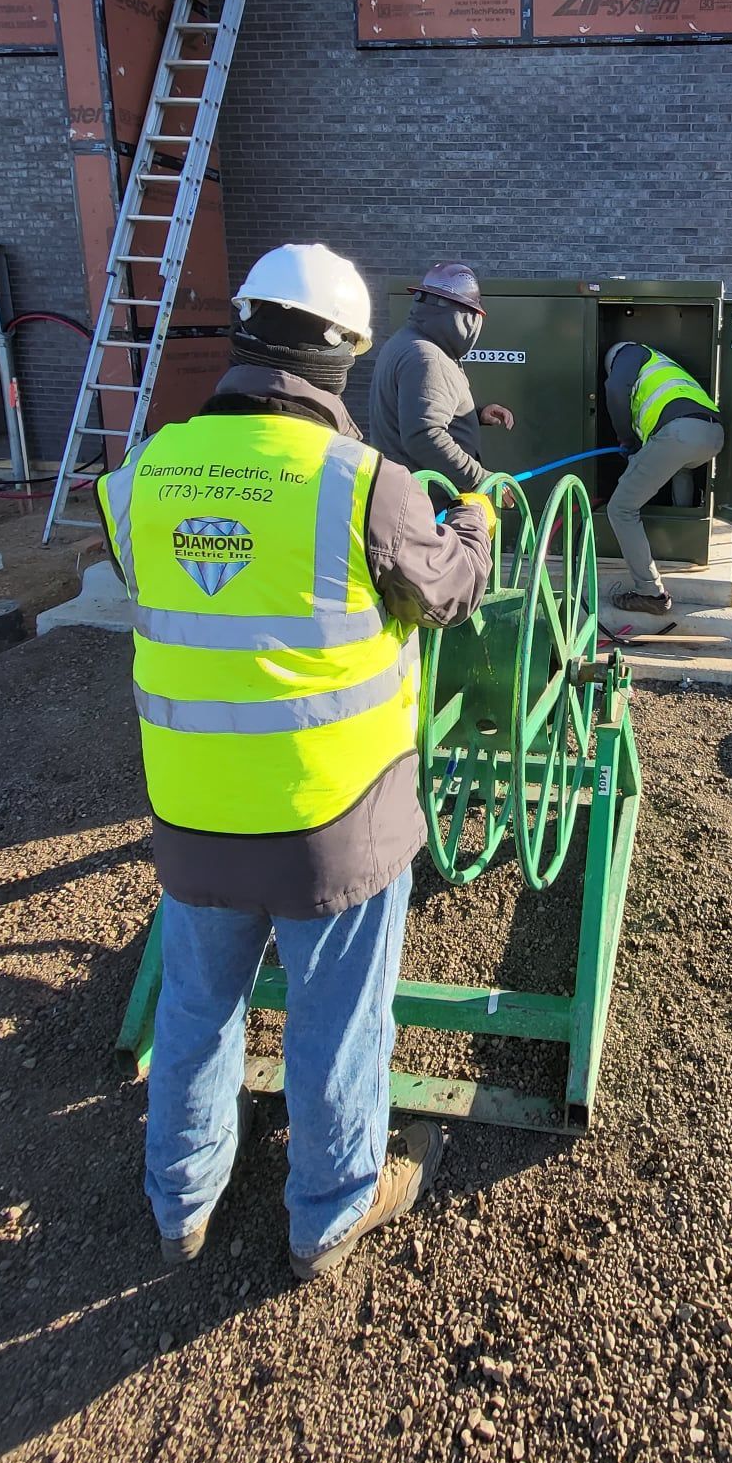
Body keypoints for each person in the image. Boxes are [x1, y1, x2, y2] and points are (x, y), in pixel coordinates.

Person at [96, 243, 494, 1280]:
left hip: (191, 816)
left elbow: (156, 575)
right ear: (345, 356)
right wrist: (478, 528)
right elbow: (448, 592)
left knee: (195, 1004)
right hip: (335, 822)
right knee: (338, 1018)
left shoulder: (143, 473)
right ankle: (328, 1210)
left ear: (244, 332)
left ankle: (179, 1202)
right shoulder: (367, 484)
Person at [602, 340, 724, 616]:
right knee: (681, 469)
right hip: (712, 434)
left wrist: (626, 439)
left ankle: (649, 592)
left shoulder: (629, 353)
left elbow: (615, 390)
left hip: (679, 433)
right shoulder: (664, 365)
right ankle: (682, 543)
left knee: (620, 509)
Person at [369, 263, 514, 491]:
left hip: (406, 494)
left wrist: (476, 415)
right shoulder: (427, 357)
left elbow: (415, 410)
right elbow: (425, 436)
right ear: (465, 317)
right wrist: (480, 479)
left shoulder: (405, 341)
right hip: (428, 506)